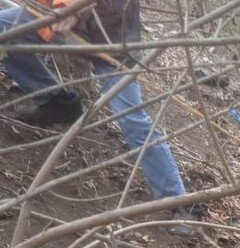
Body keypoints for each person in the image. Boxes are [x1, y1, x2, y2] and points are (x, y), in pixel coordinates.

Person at [0, 0, 202, 232]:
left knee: (132, 120)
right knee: (5, 28)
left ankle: (180, 202)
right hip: (58, 21)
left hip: (112, 42)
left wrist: (75, 9)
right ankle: (57, 102)